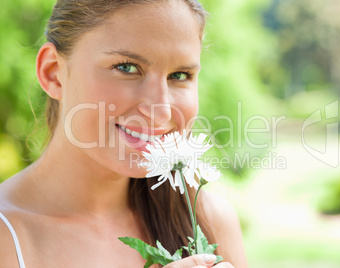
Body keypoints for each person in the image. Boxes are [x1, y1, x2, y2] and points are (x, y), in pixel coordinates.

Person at [0, 0, 248, 267]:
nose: (161, 112)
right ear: (54, 73)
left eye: (179, 74)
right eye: (127, 68)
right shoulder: (9, 235)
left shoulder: (210, 221)